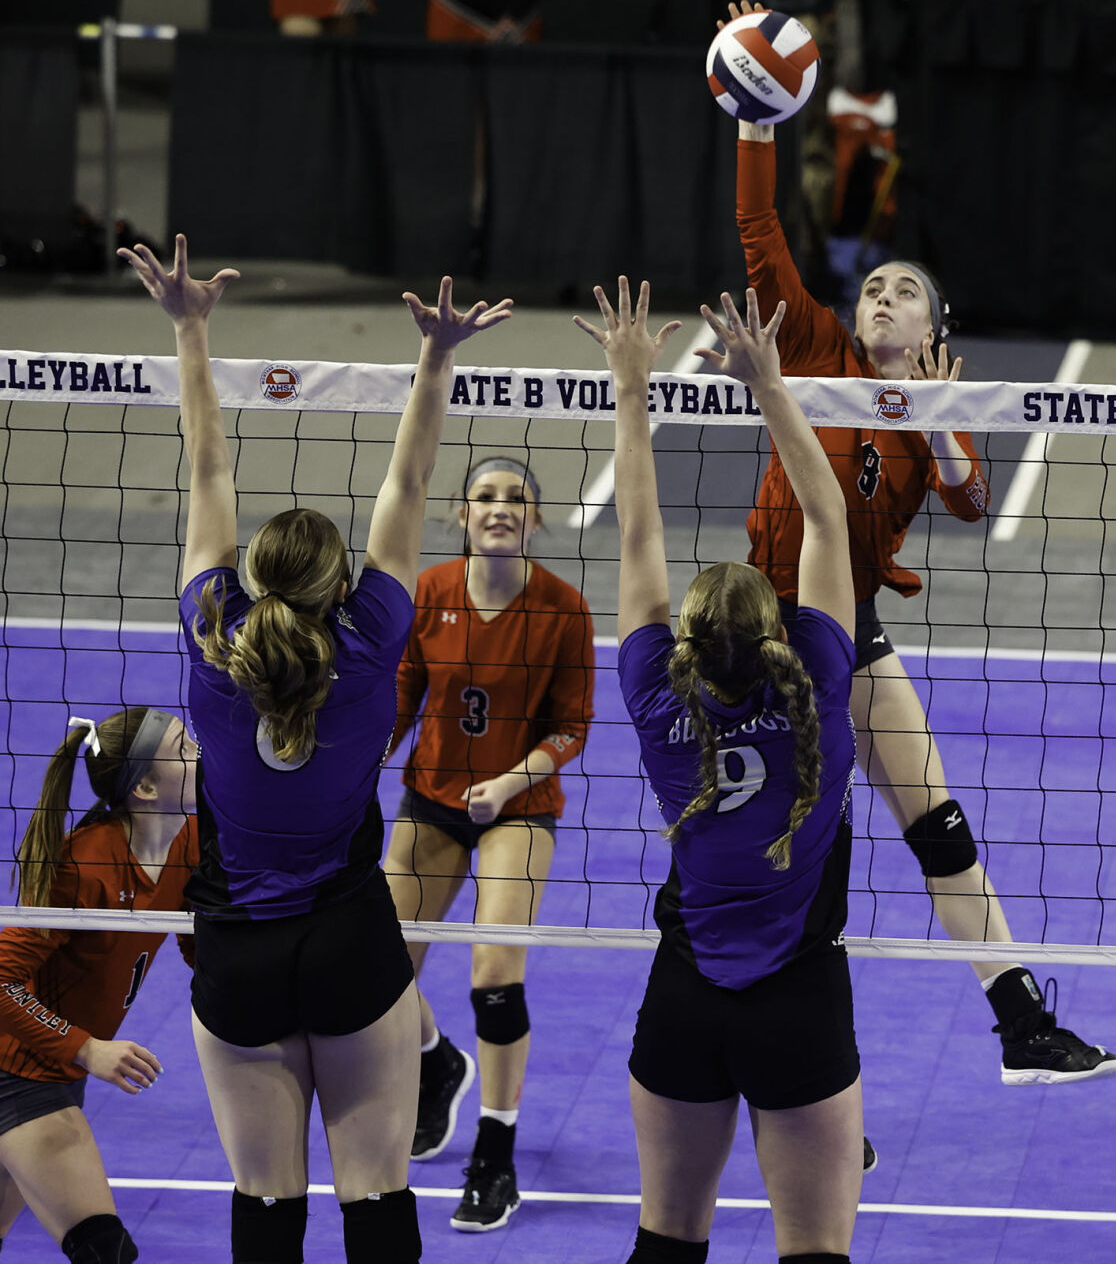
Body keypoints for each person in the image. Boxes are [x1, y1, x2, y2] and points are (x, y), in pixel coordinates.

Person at [723, 2, 1116, 1085]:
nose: (881, 295)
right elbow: (762, 236)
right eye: (874, 287)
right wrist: (756, 115)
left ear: (934, 338)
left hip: (848, 628)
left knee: (937, 824)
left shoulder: (933, 414)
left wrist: (934, 413)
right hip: (758, 636)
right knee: (795, 854)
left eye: (904, 293)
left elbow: (968, 501)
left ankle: (1020, 1024)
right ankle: (796, 1067)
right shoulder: (808, 347)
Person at [119, 233, 513, 1264]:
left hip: (237, 956)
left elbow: (207, 462)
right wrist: (435, 361)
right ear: (345, 591)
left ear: (249, 578)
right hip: (348, 942)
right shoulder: (377, 634)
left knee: (265, 1208)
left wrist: (188, 328)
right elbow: (411, 484)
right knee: (377, 1198)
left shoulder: (212, 635)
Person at [577, 278, 861, 1264]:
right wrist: (770, 384)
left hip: (685, 1001)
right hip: (800, 1003)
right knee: (815, 1254)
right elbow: (827, 524)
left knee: (666, 1244)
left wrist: (630, 385)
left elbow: (638, 535)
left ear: (687, 640)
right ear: (780, 635)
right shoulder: (820, 686)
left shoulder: (659, 701)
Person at [382, 456, 594, 1232]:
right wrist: (361, 759)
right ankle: (437, 1063)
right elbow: (402, 693)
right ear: (461, 515)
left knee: (494, 975)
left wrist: (509, 782)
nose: (500, 508)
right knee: (374, 967)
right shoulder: (429, 593)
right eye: (485, 498)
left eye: (516, 499)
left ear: (535, 519)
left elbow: (573, 723)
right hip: (431, 795)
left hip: (518, 805)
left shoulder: (564, 609)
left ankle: (494, 1152)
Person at [0, 707, 196, 1263]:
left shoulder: (189, 837)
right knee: (103, 1250)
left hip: (53, 1066)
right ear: (147, 787)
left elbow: (188, 928)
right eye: (184, 748)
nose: (201, 754)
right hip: (17, 1070)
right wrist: (86, 1049)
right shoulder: (84, 867)